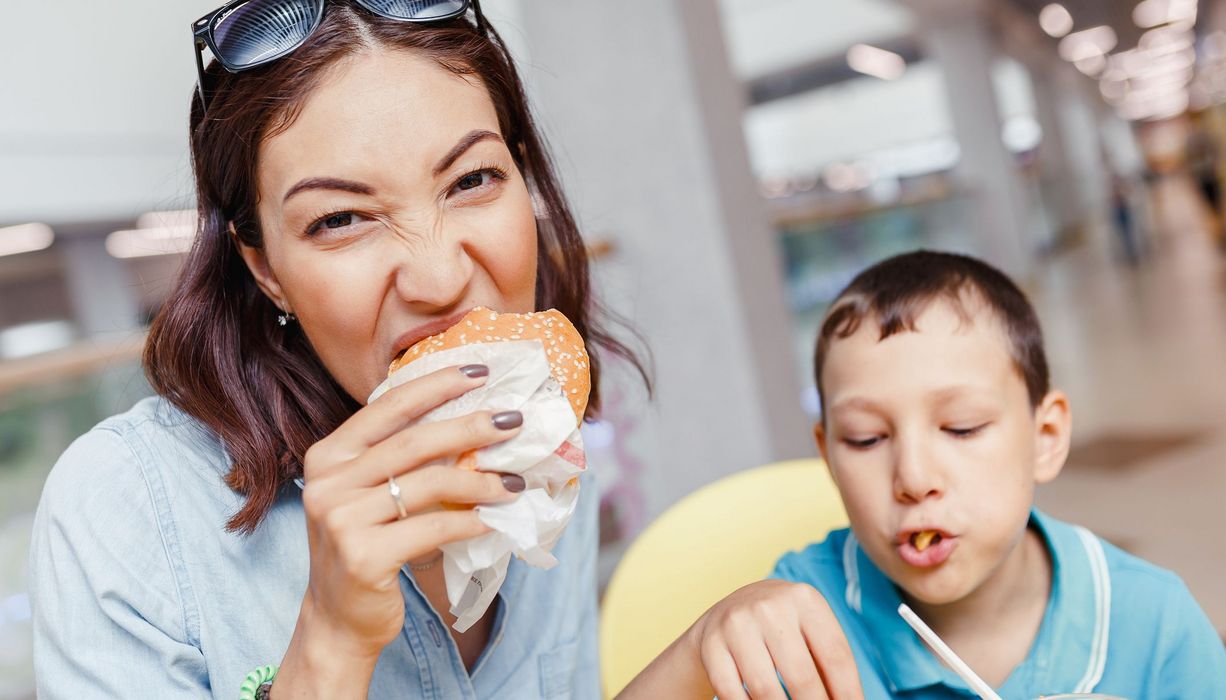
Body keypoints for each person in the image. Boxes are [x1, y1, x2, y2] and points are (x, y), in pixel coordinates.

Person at [28, 1, 644, 697]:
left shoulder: (547, 450)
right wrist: (330, 643)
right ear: (266, 270)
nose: (440, 279)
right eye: (341, 219)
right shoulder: (126, 510)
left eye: (472, 180)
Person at [621, 250, 1226, 699]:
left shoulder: (1152, 622)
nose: (913, 477)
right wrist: (700, 647)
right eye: (866, 439)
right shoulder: (800, 614)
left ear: (1045, 438)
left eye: (961, 428)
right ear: (829, 455)